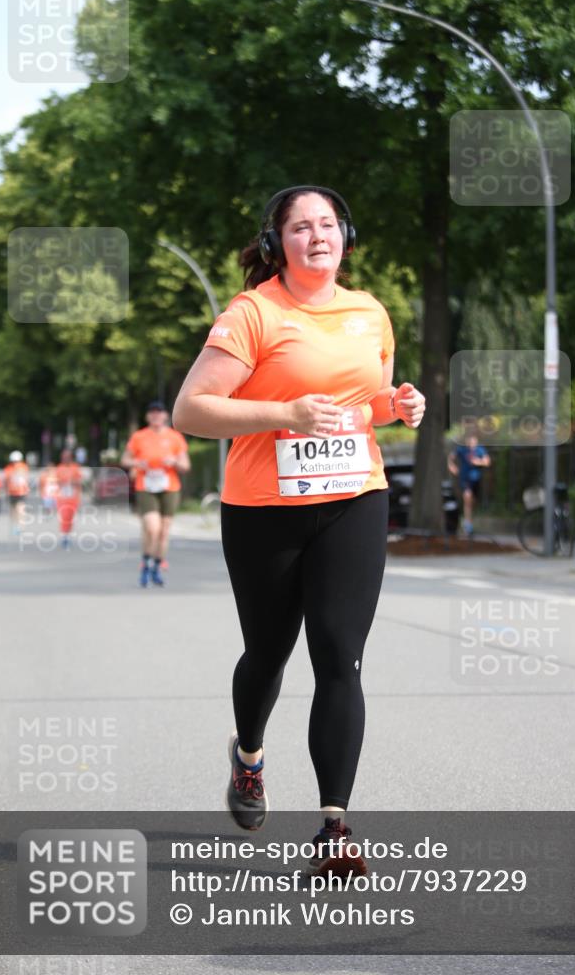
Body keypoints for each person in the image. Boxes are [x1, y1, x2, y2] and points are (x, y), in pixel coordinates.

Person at [173, 186, 425, 878]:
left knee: (340, 657)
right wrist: (281, 411)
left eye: (327, 225)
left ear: (345, 235)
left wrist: (396, 403)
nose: (317, 236)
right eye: (300, 227)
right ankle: (249, 756)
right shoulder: (253, 313)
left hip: (353, 497)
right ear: (274, 244)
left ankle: (334, 827)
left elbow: (364, 400)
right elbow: (190, 411)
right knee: (267, 652)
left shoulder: (369, 311)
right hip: (262, 507)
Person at [121, 401, 190, 587]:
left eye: (159, 413)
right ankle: (146, 564)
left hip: (169, 486)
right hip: (146, 485)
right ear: (147, 417)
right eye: (152, 413)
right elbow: (125, 459)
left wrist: (174, 461)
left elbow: (185, 465)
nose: (156, 416)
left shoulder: (175, 438)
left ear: (165, 416)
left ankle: (156, 567)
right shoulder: (139, 437)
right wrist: (137, 462)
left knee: (164, 531)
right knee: (152, 528)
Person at [448, 433, 491, 536]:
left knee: (473, 501)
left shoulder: (480, 450)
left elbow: (487, 462)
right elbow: (451, 457)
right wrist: (451, 466)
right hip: (465, 479)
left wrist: (479, 462)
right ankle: (468, 525)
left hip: (476, 479)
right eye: (469, 441)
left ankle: (469, 519)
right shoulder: (462, 449)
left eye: (473, 441)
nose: (471, 443)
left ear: (476, 441)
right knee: (467, 498)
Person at [54, 449, 83, 548]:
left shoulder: (75, 468)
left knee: (70, 517)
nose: (65, 458)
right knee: (63, 516)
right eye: (63, 457)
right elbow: (56, 482)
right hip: (62, 497)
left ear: (70, 457)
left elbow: (79, 482)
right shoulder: (59, 468)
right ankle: (64, 535)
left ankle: (68, 534)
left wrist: (72, 482)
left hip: (73, 497)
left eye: (67, 457)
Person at [3, 450, 30, 534]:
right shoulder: (8, 468)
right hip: (12, 492)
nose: (16, 463)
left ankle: (20, 525)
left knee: (20, 508)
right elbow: (6, 480)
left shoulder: (23, 467)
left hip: (21, 492)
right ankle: (15, 525)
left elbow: (25, 479)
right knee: (13, 509)